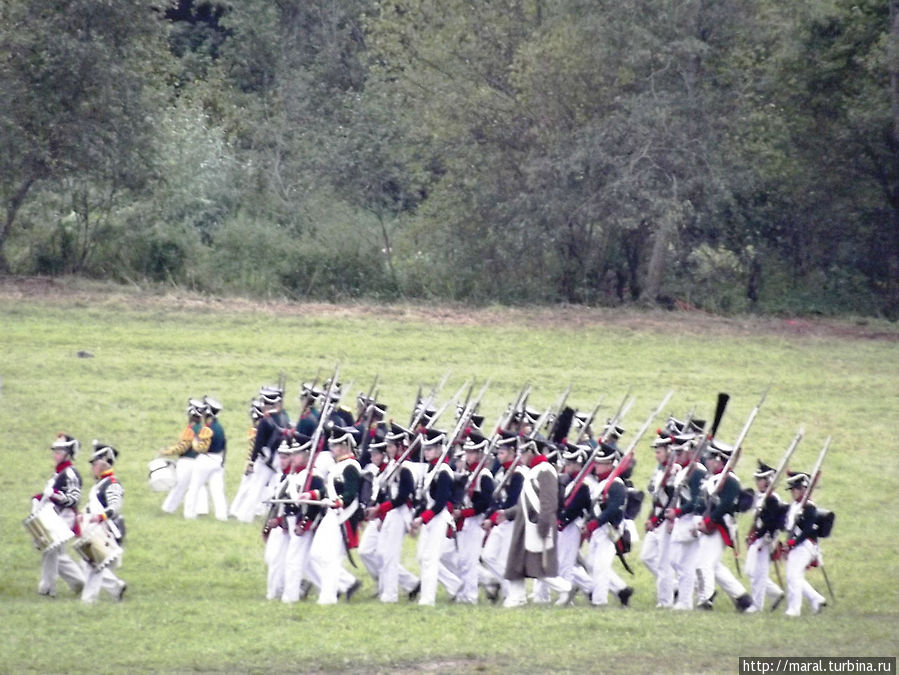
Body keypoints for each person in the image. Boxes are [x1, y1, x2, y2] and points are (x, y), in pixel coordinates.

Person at [499, 437, 571, 608]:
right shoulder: (533, 471)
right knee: (517, 564)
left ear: (532, 451)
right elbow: (525, 504)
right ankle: (517, 597)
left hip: (537, 524)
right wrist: (507, 514)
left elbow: (549, 503)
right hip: (525, 525)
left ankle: (566, 588)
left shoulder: (545, 471)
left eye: (523, 452)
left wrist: (543, 526)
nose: (520, 455)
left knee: (539, 567)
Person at [695, 440, 754, 612]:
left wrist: (709, 521)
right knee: (714, 565)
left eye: (711, 458)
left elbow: (726, 505)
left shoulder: (730, 480)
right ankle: (742, 598)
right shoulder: (715, 478)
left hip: (720, 526)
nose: (707, 461)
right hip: (711, 524)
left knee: (704, 564)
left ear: (719, 460)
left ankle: (706, 598)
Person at [306, 426, 363, 605]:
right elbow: (327, 490)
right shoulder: (337, 466)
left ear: (345, 446)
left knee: (331, 558)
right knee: (316, 554)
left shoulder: (351, 467)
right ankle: (338, 587)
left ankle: (328, 596)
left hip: (342, 515)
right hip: (332, 513)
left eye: (337, 445)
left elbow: (351, 492)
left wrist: (339, 501)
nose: (333, 448)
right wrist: (312, 495)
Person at [366, 423, 421, 603]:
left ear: (399, 446)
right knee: (382, 554)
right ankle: (386, 590)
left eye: (391, 446)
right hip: (390, 513)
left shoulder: (405, 467)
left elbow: (403, 496)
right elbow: (385, 493)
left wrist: (381, 509)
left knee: (390, 555)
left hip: (400, 512)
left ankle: (390, 594)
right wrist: (380, 512)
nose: (388, 449)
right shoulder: (392, 465)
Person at [410, 428, 460, 606]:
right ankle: (454, 585)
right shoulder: (431, 469)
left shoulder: (444, 471)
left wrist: (422, 518)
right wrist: (419, 516)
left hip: (438, 518)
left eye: (431, 449)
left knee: (430, 559)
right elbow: (427, 500)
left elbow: (440, 503)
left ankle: (427, 598)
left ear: (440, 449)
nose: (427, 452)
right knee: (423, 557)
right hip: (430, 518)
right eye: (426, 448)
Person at [32, 434, 86, 597]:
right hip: (53, 516)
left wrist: (55, 495)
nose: (55, 454)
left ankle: (47, 588)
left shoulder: (71, 473)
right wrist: (37, 499)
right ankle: (79, 582)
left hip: (65, 517)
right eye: (55, 451)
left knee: (51, 549)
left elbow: (74, 499)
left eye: (59, 451)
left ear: (68, 453)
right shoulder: (57, 474)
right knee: (57, 554)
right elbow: (48, 495)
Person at [449, 430, 494, 604]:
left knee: (470, 561)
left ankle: (471, 595)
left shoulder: (484, 476)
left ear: (480, 453)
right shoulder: (466, 473)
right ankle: (463, 594)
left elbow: (484, 503)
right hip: (462, 522)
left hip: (475, 521)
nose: (468, 456)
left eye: (472, 452)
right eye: (467, 452)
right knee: (462, 560)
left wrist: (464, 513)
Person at [583, 442, 629, 607]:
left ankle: (599, 601)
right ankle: (620, 590)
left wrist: (596, 522)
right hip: (598, 529)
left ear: (610, 464)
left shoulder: (616, 484)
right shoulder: (602, 484)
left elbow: (614, 509)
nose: (596, 466)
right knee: (592, 564)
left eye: (601, 463)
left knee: (601, 567)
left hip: (609, 529)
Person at [479, 431, 523, 603]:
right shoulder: (502, 471)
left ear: (512, 452)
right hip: (500, 520)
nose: (499, 456)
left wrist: (495, 517)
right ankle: (509, 590)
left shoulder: (518, 473)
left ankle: (512, 595)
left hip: (511, 520)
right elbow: (496, 498)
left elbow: (513, 500)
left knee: (505, 560)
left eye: (502, 452)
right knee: (488, 556)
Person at [81, 441, 127, 604]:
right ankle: (116, 588)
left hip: (108, 530)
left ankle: (88, 601)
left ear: (103, 463)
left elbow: (115, 507)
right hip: (97, 530)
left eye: (94, 463)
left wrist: (100, 517)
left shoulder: (112, 484)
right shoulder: (100, 484)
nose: (92, 467)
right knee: (88, 563)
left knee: (94, 565)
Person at [237, 385, 290, 523]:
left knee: (256, 488)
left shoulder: (265, 421)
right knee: (276, 488)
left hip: (265, 460)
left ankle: (244, 516)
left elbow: (258, 445)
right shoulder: (284, 416)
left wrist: (252, 462)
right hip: (280, 458)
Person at [666, 434, 705, 610]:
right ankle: (689, 595)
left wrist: (678, 512)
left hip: (692, 519)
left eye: (680, 452)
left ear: (690, 451)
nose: (677, 455)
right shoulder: (683, 470)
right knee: (675, 561)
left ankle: (685, 601)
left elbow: (697, 501)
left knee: (685, 563)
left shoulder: (697, 471)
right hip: (682, 518)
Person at [781, 471, 827, 617]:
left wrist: (793, 542)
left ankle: (794, 609)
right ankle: (816, 599)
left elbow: (807, 530)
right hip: (796, 545)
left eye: (795, 489)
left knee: (793, 576)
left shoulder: (810, 508)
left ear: (802, 489)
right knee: (793, 576)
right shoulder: (795, 506)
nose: (792, 492)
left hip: (805, 545)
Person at [641, 434, 680, 608]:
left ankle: (665, 601)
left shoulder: (674, 471)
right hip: (656, 518)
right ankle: (673, 586)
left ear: (669, 451)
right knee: (646, 556)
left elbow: (671, 500)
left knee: (664, 563)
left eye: (659, 452)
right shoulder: (660, 469)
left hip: (665, 519)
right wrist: (651, 518)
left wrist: (656, 520)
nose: (657, 455)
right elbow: (656, 497)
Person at [745, 460, 786, 611]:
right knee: (755, 572)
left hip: (765, 539)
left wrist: (759, 536)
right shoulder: (762, 497)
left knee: (755, 571)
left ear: (767, 481)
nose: (757, 482)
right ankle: (772, 595)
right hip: (759, 536)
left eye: (760, 480)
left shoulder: (773, 499)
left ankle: (757, 604)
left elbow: (771, 522)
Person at [184, 396, 228, 520]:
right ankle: (222, 516)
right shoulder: (219, 428)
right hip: (218, 460)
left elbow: (201, 448)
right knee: (218, 491)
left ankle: (189, 514)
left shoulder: (207, 429)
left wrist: (194, 442)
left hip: (205, 459)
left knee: (194, 488)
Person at [160, 399, 206, 517]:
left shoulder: (190, 429)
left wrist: (167, 451)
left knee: (178, 486)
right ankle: (202, 509)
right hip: (200, 461)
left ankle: (168, 508)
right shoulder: (203, 429)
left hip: (186, 462)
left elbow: (182, 447)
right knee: (198, 487)